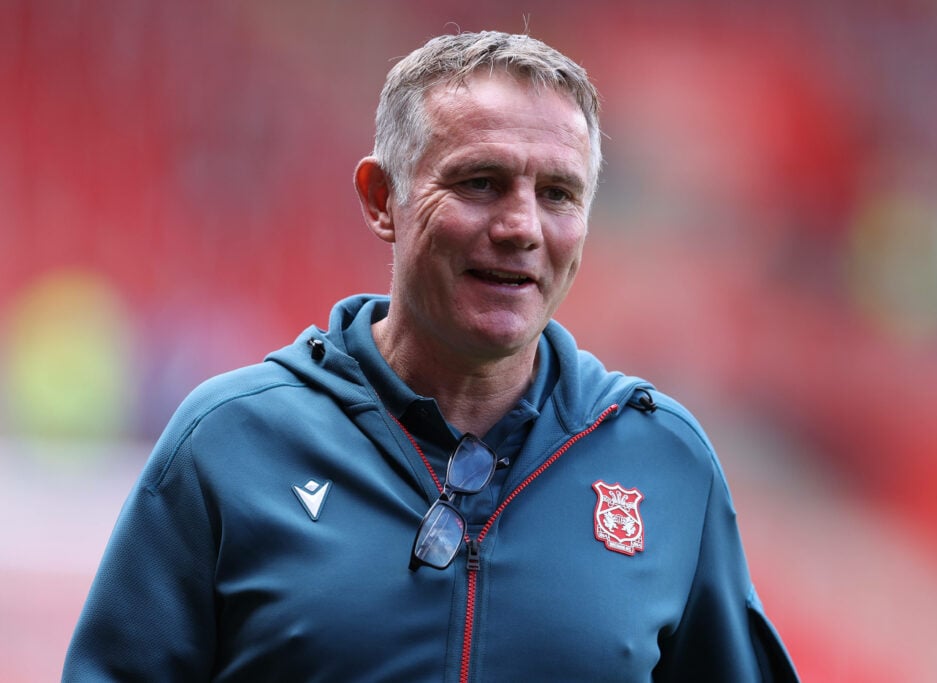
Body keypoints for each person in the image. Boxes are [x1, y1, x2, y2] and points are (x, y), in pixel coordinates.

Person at [63, 30, 799, 681]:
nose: (521, 226)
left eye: (557, 194)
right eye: (481, 183)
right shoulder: (229, 444)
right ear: (383, 198)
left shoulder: (664, 463)